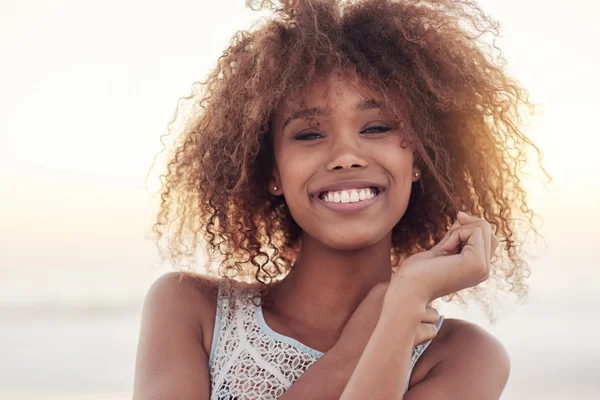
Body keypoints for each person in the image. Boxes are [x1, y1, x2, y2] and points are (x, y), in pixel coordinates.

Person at [133, 0, 545, 398]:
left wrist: (404, 303)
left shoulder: (464, 357)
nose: (346, 156)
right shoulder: (190, 309)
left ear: (420, 158)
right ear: (272, 170)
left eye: (377, 127)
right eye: (309, 134)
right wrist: (356, 350)